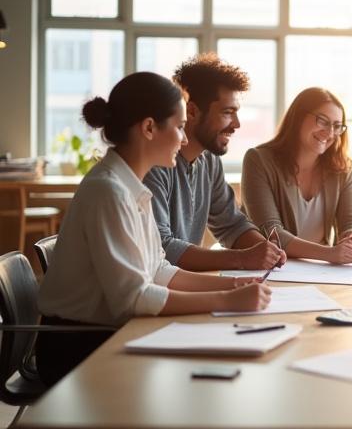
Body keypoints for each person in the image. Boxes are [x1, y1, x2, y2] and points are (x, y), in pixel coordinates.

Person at [37, 72, 271, 386]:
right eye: (179, 127)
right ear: (149, 128)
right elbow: (134, 299)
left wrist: (231, 286)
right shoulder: (109, 192)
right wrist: (227, 301)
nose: (185, 139)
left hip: (106, 333)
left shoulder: (129, 185)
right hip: (79, 346)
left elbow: (158, 270)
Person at [144, 53, 285, 272]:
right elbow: (161, 248)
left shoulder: (209, 159)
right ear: (191, 111)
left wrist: (264, 249)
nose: (236, 124)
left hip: (180, 287)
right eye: (228, 112)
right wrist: (242, 259)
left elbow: (232, 224)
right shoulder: (154, 163)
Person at [241, 87, 352, 263]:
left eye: (337, 126)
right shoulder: (258, 160)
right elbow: (272, 234)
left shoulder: (343, 168)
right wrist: (329, 253)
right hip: (272, 269)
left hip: (320, 271)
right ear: (298, 118)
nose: (330, 132)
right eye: (323, 121)